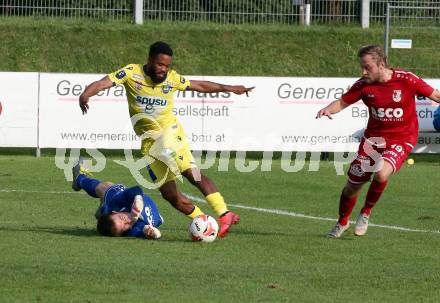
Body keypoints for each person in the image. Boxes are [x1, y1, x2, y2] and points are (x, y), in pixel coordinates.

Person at [79, 41, 253, 237]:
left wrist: (228, 88)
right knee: (171, 196)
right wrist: (86, 93)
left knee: (191, 173)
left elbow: (199, 85)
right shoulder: (131, 73)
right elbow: (103, 83)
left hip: (170, 134)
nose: (163, 70)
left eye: (167, 66)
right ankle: (205, 222)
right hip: (149, 144)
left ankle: (224, 213)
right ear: (150, 60)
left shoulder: (172, 79)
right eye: (160, 64)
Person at [316, 45, 440, 238]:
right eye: (362, 67)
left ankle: (366, 212)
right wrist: (327, 109)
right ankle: (342, 222)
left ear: (381, 65)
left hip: (402, 137)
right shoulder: (363, 85)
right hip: (373, 141)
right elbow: (342, 103)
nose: (363, 71)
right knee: (351, 187)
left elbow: (435, 95)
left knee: (381, 173)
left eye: (367, 67)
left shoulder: (406, 79)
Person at [72, 158, 163, 239]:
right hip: (157, 218)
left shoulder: (117, 203)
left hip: (113, 203)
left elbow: (136, 190)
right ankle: (102, 212)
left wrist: (138, 199)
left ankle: (79, 179)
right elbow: (153, 233)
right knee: (107, 206)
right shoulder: (133, 230)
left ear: (116, 212)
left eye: (122, 218)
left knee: (109, 188)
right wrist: (152, 232)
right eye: (124, 227)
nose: (128, 222)